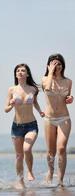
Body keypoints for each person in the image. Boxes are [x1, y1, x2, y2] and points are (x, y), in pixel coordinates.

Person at [4, 64, 45, 189]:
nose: (20, 72)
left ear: (27, 74)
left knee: (26, 149)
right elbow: (5, 109)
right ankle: (20, 181)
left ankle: (30, 171)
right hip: (16, 126)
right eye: (18, 70)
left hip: (31, 125)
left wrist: (40, 111)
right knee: (19, 155)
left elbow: (35, 103)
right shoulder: (11, 90)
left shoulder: (33, 89)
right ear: (16, 74)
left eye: (23, 70)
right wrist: (11, 104)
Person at [41, 53, 73, 187]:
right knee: (51, 151)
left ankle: (60, 180)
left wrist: (70, 99)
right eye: (54, 63)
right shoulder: (44, 79)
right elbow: (47, 88)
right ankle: (50, 170)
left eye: (59, 64)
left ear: (63, 65)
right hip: (49, 119)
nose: (57, 66)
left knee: (61, 148)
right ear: (48, 65)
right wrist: (50, 72)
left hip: (64, 118)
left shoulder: (68, 81)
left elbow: (68, 97)